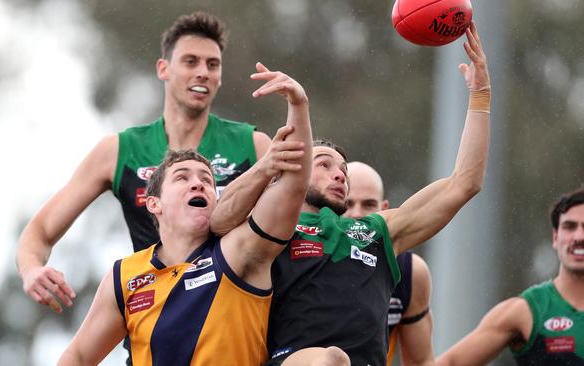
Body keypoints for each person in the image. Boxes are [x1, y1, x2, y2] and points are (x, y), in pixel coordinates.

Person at [212, 22, 491, 366]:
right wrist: (268, 165)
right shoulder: (269, 230)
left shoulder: (374, 233)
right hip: (293, 361)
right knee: (331, 361)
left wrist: (480, 96)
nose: (339, 174)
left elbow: (465, 183)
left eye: (343, 170)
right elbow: (219, 219)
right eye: (325, 164)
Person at [16, 11, 299, 313]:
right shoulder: (119, 151)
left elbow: (292, 223)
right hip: (150, 324)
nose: (203, 72)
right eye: (190, 62)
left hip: (235, 325)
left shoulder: (253, 145)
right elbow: (40, 231)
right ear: (163, 69)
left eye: (212, 64)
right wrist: (32, 269)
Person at [57, 64, 313, 365]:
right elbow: (79, 355)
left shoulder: (238, 251)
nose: (198, 183)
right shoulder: (125, 275)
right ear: (153, 203)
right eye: (182, 177)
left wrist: (298, 105)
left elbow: (293, 187)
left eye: (207, 180)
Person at [437, 188, 584, 366]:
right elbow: (450, 362)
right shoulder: (525, 311)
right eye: (569, 227)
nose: (579, 236)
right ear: (555, 237)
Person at [345, 161, 434, 366]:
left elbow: (421, 361)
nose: (357, 214)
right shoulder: (300, 256)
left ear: (385, 209)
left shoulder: (409, 272)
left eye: (368, 204)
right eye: (347, 204)